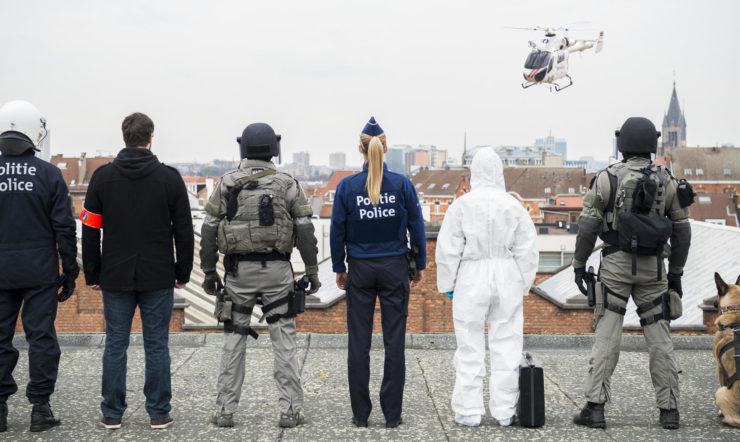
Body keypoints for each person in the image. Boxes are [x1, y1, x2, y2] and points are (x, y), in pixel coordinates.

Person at [571, 117, 693, 430]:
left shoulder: (606, 178)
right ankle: (669, 410)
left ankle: (595, 408)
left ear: (622, 144)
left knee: (607, 334)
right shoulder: (668, 180)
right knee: (659, 336)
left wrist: (579, 264)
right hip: (653, 268)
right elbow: (682, 231)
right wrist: (675, 273)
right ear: (651, 146)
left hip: (615, 266)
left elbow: (587, 226)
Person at [200, 122, 320, 429]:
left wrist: (210, 271)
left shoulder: (226, 183)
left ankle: (225, 410)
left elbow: (210, 229)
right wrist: (312, 271)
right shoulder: (288, 183)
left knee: (233, 340)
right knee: (284, 341)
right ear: (274, 150)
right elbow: (306, 230)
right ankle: (290, 410)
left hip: (238, 273)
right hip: (278, 273)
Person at [81, 112, 193, 430]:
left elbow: (90, 229)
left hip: (114, 275)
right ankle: (158, 412)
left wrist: (92, 273)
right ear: (150, 138)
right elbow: (183, 232)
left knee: (116, 342)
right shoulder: (170, 179)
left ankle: (112, 412)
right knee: (156, 343)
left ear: (124, 137)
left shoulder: (101, 179)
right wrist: (182, 272)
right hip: (158, 274)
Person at [330, 116, 426, 428]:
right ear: (385, 148)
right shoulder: (402, 184)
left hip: (360, 269)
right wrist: (420, 264)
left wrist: (339, 267)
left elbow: (336, 232)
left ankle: (360, 414)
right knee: (393, 343)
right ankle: (392, 415)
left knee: (358, 343)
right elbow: (417, 227)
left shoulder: (347, 187)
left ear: (360, 149)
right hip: (394, 268)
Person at [436, 147, 538, 427]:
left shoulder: (462, 205)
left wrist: (448, 283)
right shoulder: (513, 204)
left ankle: (469, 412)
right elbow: (528, 249)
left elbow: (447, 249)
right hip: (506, 273)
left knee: (469, 344)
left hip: (471, 274)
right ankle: (504, 411)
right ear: (500, 172)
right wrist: (523, 284)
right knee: (507, 344)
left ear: (474, 172)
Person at [0, 100, 78, 433]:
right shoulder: (48, 174)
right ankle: (40, 408)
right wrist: (70, 269)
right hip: (40, 270)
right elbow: (64, 226)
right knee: (41, 338)